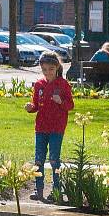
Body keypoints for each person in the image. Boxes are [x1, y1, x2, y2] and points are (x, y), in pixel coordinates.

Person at [24, 51, 75, 202]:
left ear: (57, 67)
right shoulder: (39, 84)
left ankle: (56, 190)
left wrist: (61, 102)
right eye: (44, 70)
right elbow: (36, 105)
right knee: (38, 159)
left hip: (56, 128)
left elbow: (70, 105)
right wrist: (30, 107)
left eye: (51, 69)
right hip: (41, 127)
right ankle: (38, 189)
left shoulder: (63, 84)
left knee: (54, 159)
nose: (48, 73)